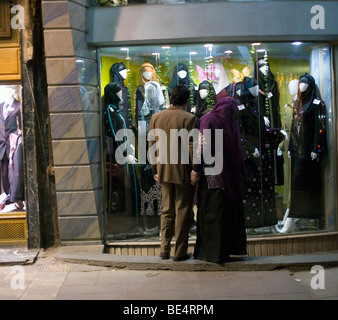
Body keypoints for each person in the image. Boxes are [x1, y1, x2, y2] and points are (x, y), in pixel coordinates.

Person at [192, 96, 247, 263]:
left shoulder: (208, 120)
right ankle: (224, 251)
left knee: (211, 213)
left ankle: (211, 252)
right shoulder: (229, 123)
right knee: (223, 214)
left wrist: (195, 169)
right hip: (228, 177)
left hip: (211, 175)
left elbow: (201, 147)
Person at [148, 84, 198, 261]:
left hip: (163, 171)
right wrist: (194, 170)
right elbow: (193, 148)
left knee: (167, 211)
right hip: (183, 172)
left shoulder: (156, 117)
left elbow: (151, 146)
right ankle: (179, 252)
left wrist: (155, 170)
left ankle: (164, 249)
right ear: (185, 101)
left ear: (170, 98)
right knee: (183, 212)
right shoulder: (190, 119)